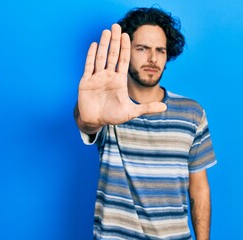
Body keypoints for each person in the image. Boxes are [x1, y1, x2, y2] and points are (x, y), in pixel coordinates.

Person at [74, 7, 217, 240]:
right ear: (125, 52)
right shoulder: (107, 108)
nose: (152, 58)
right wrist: (89, 120)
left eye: (160, 50)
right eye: (142, 49)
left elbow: (199, 188)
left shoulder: (192, 112)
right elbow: (87, 121)